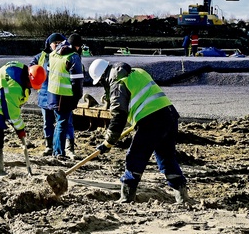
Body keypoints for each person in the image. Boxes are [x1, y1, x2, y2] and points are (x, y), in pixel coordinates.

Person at [89, 58, 190, 204]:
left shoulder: (118, 82)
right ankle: (182, 197)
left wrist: (108, 142)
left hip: (151, 120)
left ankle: (127, 197)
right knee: (167, 158)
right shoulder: (137, 72)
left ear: (103, 77)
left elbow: (119, 115)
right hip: (169, 116)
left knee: (135, 157)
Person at [0, 60, 47, 178]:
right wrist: (20, 129)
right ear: (29, 78)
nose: (31, 88)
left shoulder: (19, 68)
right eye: (31, 85)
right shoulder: (13, 87)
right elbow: (12, 113)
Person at [49, 33, 85, 161]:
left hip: (52, 94)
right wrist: (77, 98)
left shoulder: (53, 54)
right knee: (62, 123)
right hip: (64, 96)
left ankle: (56, 150)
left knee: (59, 122)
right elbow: (77, 81)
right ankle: (58, 152)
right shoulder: (73, 57)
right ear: (78, 46)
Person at [29, 33, 65, 156]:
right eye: (56, 43)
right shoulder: (41, 57)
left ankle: (61, 147)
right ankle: (49, 145)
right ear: (49, 45)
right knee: (47, 122)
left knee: (62, 122)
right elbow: (31, 69)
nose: (58, 45)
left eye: (61, 43)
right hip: (44, 94)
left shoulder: (66, 56)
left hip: (60, 95)